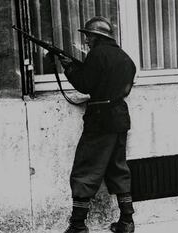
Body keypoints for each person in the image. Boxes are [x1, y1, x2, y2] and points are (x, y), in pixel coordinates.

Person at [59, 16, 136, 233]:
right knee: (118, 169)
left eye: (88, 36)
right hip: (120, 117)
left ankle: (78, 225)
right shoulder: (125, 58)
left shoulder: (96, 54)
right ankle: (127, 222)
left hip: (100, 120)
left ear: (97, 36)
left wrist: (69, 69)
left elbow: (86, 84)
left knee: (86, 170)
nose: (86, 41)